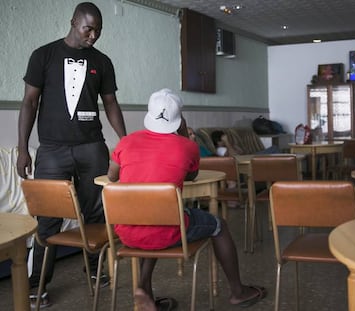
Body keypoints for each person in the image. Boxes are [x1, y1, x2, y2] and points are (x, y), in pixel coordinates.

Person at [108, 88, 266, 310]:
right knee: (219, 225)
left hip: (125, 231)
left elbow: (112, 176)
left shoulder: (126, 142)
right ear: (179, 120)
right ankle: (238, 292)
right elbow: (190, 175)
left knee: (152, 217)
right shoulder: (187, 147)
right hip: (166, 230)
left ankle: (144, 288)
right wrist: (182, 135)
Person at [17, 2, 127, 308]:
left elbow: (111, 103)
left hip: (92, 148)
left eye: (98, 31)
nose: (93, 35)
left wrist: (126, 141)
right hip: (51, 151)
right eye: (88, 28)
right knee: (47, 219)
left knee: (94, 214)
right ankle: (37, 283)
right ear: (73, 22)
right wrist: (24, 148)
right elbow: (28, 103)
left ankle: (93, 271)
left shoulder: (102, 62)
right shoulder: (44, 56)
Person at [212, 130, 280, 156]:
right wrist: (227, 142)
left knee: (274, 148)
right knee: (274, 148)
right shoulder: (220, 149)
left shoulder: (228, 147)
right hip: (249, 159)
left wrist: (232, 145)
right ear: (219, 141)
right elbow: (235, 157)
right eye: (224, 138)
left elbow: (242, 152)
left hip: (248, 157)